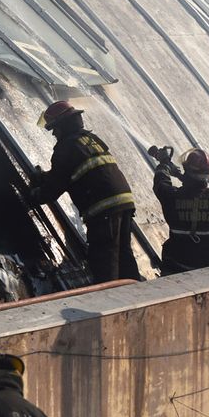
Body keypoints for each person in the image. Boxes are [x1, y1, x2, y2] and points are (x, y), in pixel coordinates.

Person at [31, 100, 140, 283]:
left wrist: (34, 195)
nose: (55, 133)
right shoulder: (90, 139)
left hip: (103, 207)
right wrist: (46, 176)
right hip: (123, 201)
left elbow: (55, 187)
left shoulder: (65, 147)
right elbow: (79, 170)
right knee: (123, 253)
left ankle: (110, 302)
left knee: (105, 258)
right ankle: (137, 294)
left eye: (55, 129)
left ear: (63, 126)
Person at [152, 147, 209, 275]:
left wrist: (164, 165)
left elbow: (161, 183)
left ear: (187, 171)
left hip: (178, 263)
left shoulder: (172, 197)